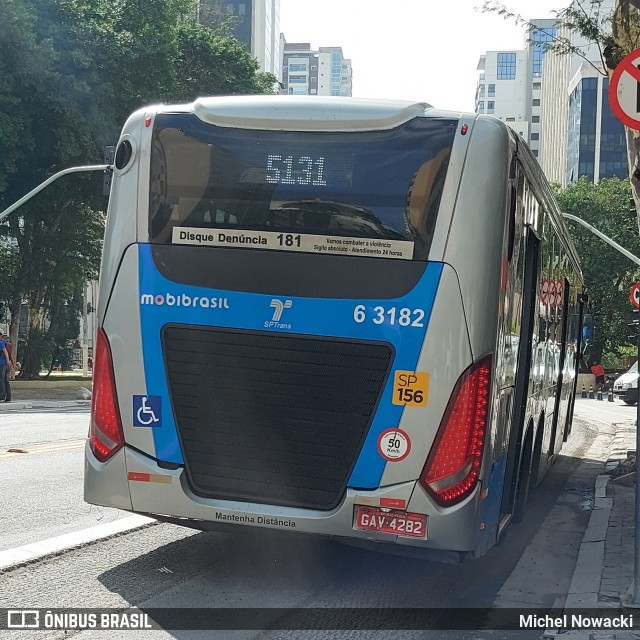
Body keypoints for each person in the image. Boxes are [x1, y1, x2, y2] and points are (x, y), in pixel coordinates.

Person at [0, 332, 11, 402]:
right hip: (6, 365)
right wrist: (9, 362)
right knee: (6, 381)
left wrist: (7, 361)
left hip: (2, 364)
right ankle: (8, 396)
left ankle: (2, 396)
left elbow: (5, 352)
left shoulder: (1, 343)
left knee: (1, 380)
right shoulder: (4, 343)